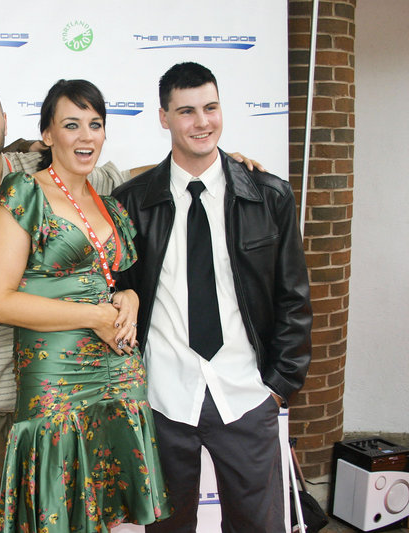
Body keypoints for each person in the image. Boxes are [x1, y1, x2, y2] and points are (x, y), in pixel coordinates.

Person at [112, 62, 312, 532]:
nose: (202, 122)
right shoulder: (131, 202)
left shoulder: (269, 195)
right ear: (164, 118)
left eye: (210, 107)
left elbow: (294, 298)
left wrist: (279, 386)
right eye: (186, 111)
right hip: (162, 397)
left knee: (259, 527)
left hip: (246, 393)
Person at [0, 79, 172, 532]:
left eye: (95, 124)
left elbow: (112, 284)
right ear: (48, 134)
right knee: (57, 512)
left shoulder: (110, 205)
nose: (86, 136)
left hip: (121, 375)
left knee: (114, 517)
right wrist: (93, 317)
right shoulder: (23, 193)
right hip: (57, 380)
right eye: (72, 125)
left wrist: (129, 296)